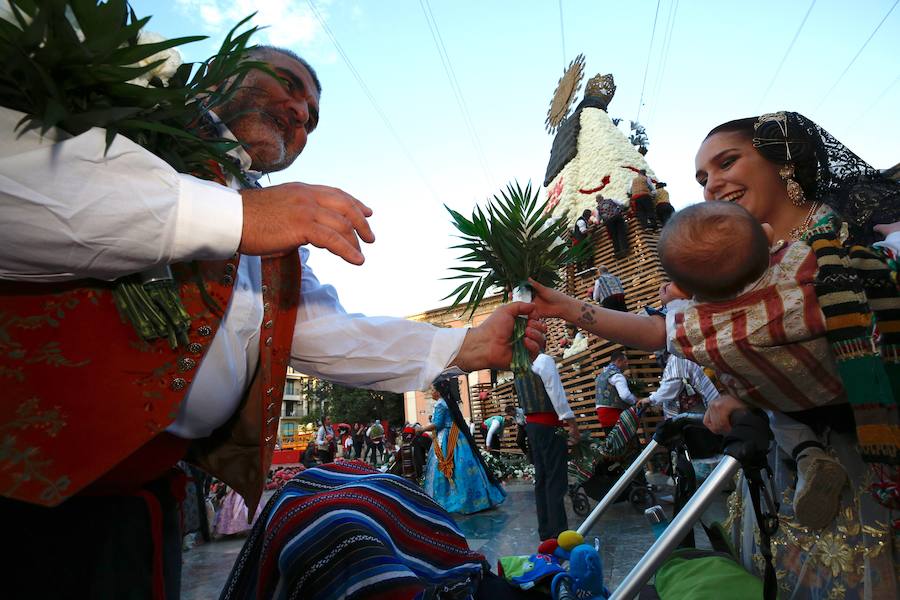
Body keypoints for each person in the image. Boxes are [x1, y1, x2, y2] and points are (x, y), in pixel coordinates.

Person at [0, 43, 548, 597]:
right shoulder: (126, 111)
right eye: (288, 84)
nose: (300, 112)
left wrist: (467, 346)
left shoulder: (269, 226)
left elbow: (325, 332)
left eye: (311, 116)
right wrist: (235, 217)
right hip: (21, 493)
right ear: (224, 72)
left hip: (137, 507)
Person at [531, 111, 900, 598]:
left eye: (728, 162)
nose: (713, 184)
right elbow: (662, 332)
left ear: (783, 159)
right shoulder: (723, 288)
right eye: (703, 178)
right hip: (779, 475)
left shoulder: (871, 242)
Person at [514, 352, 580, 541]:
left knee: (542, 479)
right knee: (555, 478)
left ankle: (546, 530)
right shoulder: (544, 360)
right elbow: (555, 392)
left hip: (532, 426)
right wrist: (572, 424)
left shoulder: (518, 364)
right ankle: (559, 531)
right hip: (548, 424)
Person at [421, 378, 506, 514]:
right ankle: (478, 499)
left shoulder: (440, 404)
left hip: (446, 438)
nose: (431, 392)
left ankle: (450, 499)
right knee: (464, 465)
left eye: (433, 389)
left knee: (446, 466)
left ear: (438, 391)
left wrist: (420, 429)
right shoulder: (450, 403)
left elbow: (437, 424)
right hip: (457, 435)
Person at [594, 351, 638, 433]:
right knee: (626, 441)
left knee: (612, 442)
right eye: (625, 362)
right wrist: (635, 401)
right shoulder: (617, 375)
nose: (627, 364)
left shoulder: (602, 374)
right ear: (618, 361)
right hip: (614, 414)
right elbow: (625, 395)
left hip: (602, 415)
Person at [595, 194, 630, 258]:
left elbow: (598, 220)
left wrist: (599, 223)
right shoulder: (611, 200)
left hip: (608, 222)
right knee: (621, 233)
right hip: (617, 217)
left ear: (597, 201)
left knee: (614, 237)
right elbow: (621, 204)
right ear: (603, 197)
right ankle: (625, 248)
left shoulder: (598, 208)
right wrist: (623, 209)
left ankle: (617, 251)